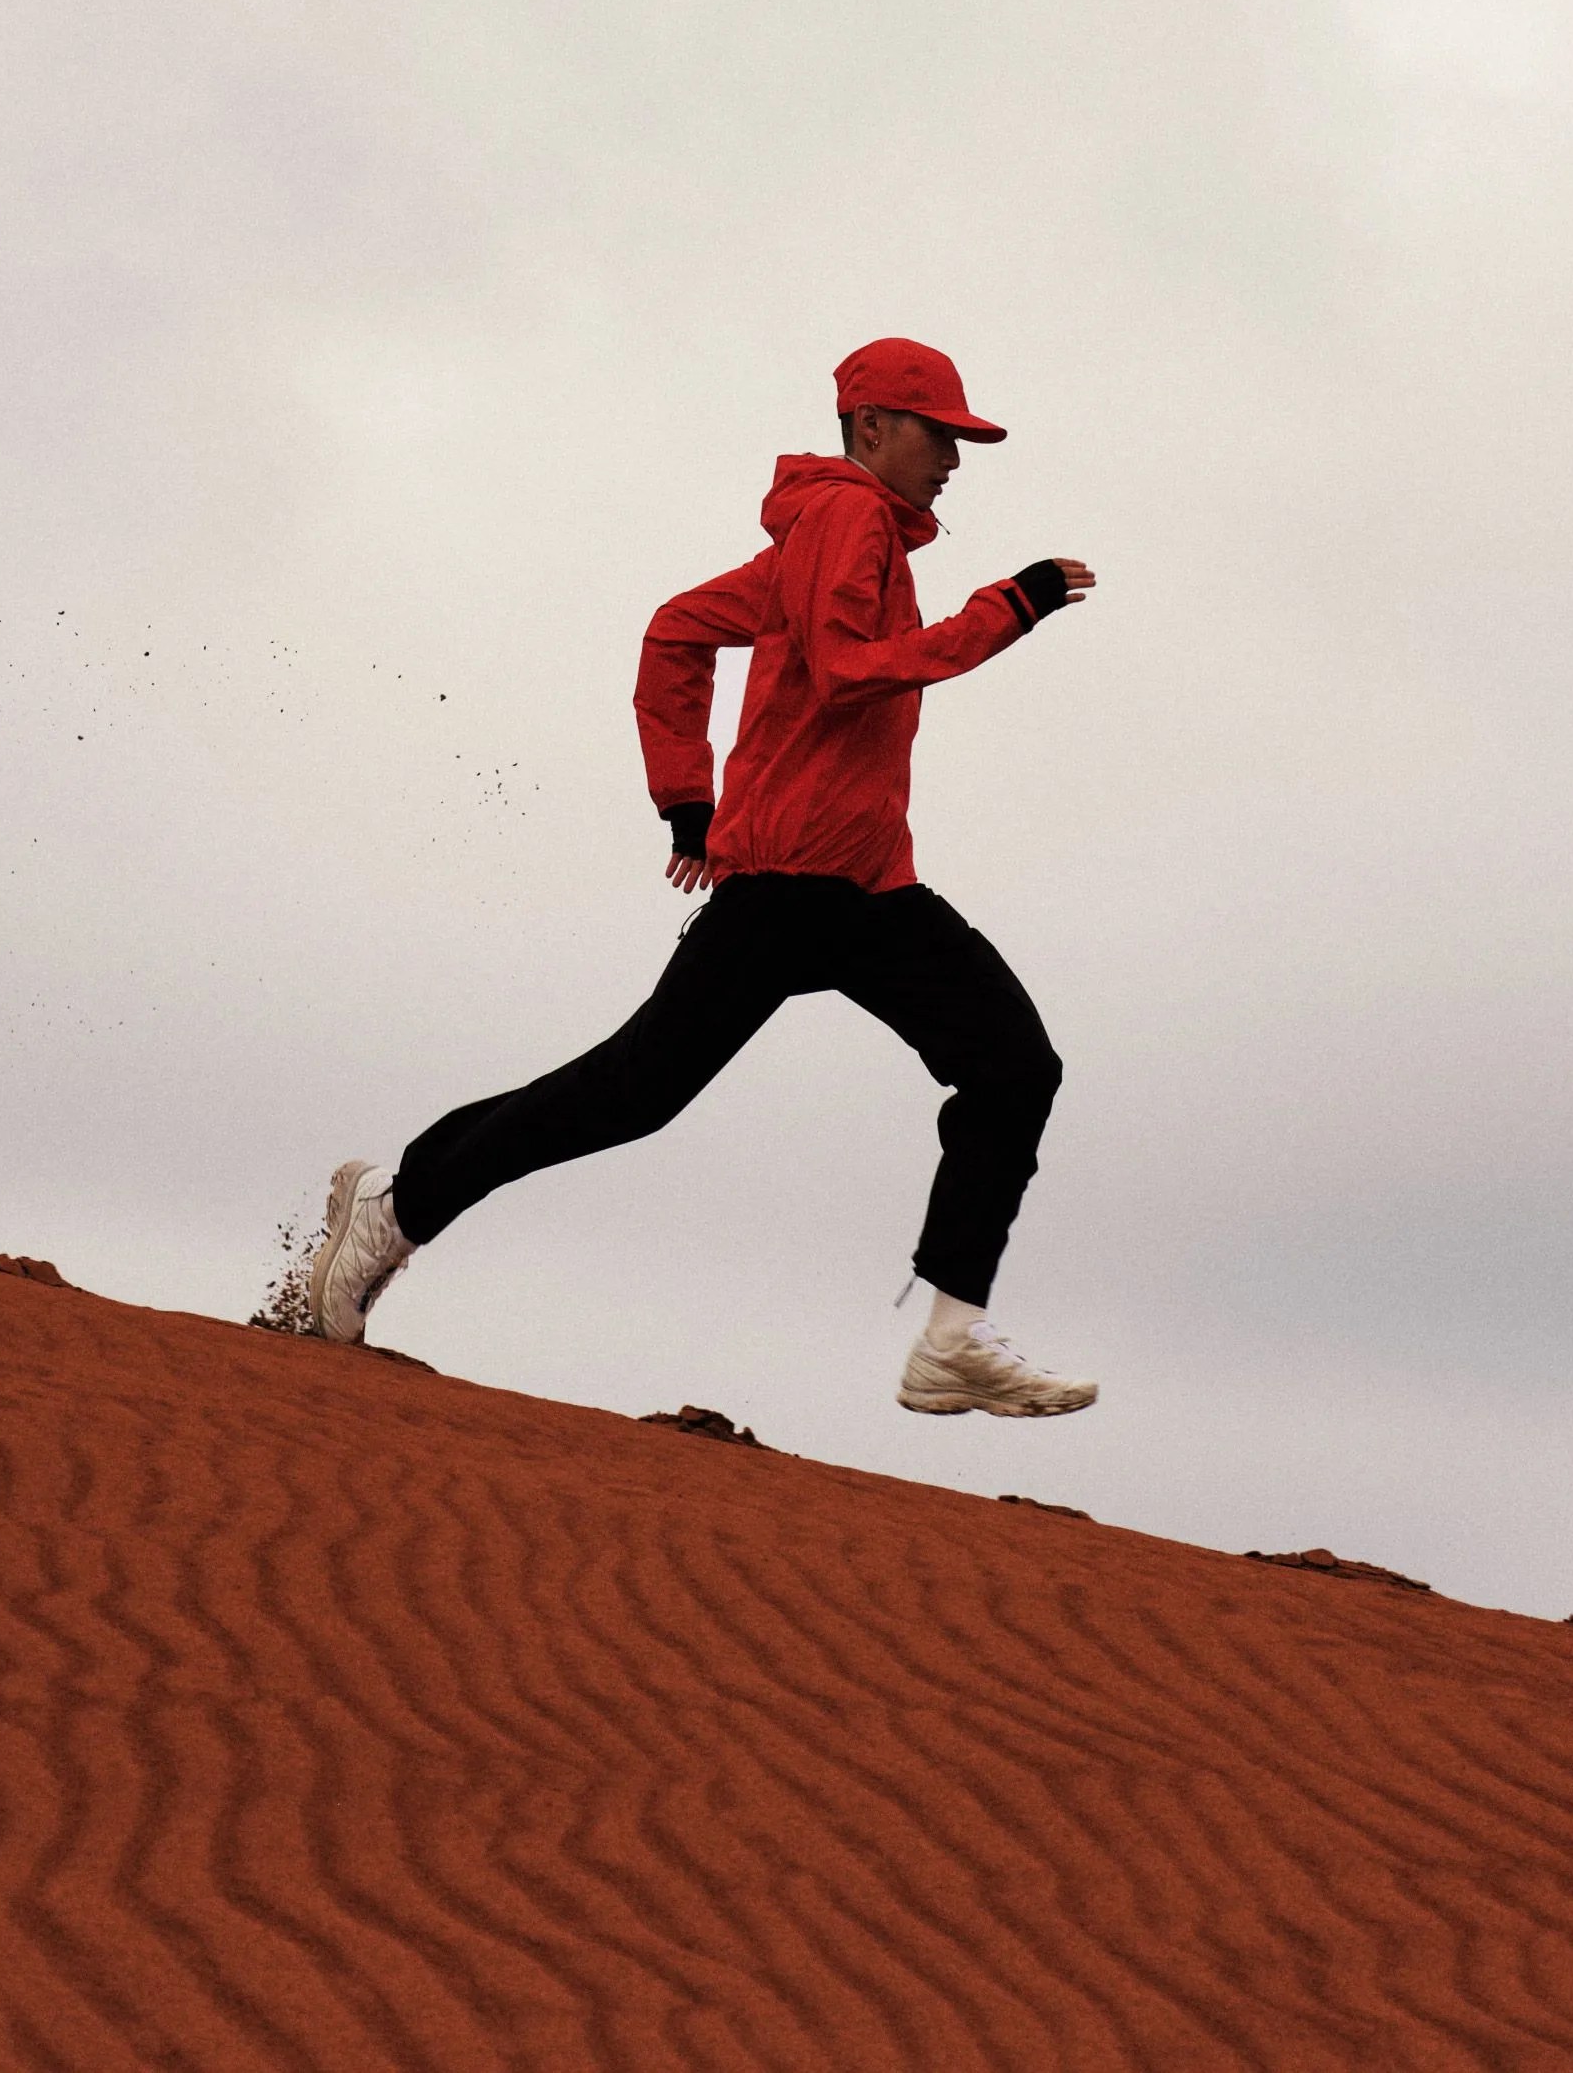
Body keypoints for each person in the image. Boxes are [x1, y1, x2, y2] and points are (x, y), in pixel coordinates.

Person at [301, 337, 1102, 1417]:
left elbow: (677, 630)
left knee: (1011, 1067)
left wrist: (686, 795)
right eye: (939, 433)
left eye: (961, 438)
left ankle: (952, 1335)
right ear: (870, 425)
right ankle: (397, 1203)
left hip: (865, 885)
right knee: (625, 1094)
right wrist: (1008, 604)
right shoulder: (842, 518)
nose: (953, 457)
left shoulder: (840, 539)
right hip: (785, 885)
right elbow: (846, 668)